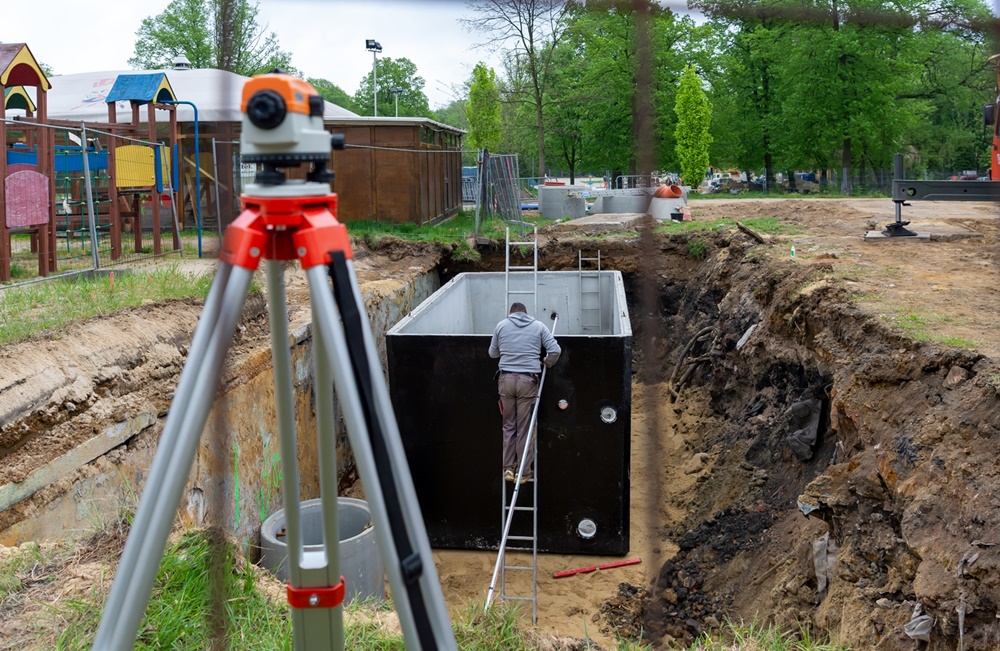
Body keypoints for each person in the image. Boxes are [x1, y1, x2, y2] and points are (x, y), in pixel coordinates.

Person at [488, 303, 561, 484]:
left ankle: (508, 469)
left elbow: (492, 353)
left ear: (510, 313)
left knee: (508, 427)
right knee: (525, 429)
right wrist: (547, 361)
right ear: (526, 313)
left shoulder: (501, 325)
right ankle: (523, 472)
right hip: (527, 382)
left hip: (505, 381)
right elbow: (555, 350)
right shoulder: (538, 326)